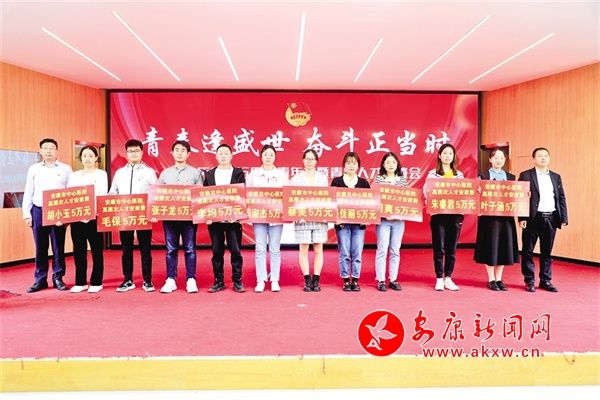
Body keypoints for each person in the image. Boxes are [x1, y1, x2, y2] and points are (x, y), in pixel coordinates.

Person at [23, 138, 73, 293]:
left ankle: (58, 278)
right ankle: (40, 280)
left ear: (57, 150)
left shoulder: (66, 169)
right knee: (40, 247)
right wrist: (26, 214)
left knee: (58, 247)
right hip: (38, 210)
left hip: (58, 213)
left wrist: (66, 216)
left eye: (52, 148)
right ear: (40, 151)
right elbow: (28, 191)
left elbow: (70, 193)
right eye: (45, 148)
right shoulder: (34, 169)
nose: (48, 150)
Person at [108, 139, 157, 292]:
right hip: (124, 217)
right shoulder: (120, 173)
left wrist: (153, 212)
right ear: (126, 153)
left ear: (142, 152)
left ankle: (147, 281)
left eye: (136, 151)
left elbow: (155, 194)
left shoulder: (149, 172)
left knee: (145, 250)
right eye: (130, 151)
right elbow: (112, 193)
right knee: (126, 250)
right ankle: (127, 280)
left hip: (143, 217)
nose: (133, 154)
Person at [155, 140, 203, 294]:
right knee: (171, 250)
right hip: (169, 219)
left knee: (190, 249)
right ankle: (171, 279)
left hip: (189, 219)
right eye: (177, 150)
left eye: (183, 150)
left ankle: (191, 279)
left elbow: (200, 196)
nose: (180, 153)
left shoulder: (195, 173)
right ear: (172, 153)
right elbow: (157, 195)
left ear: (188, 153)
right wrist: (154, 212)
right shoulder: (165, 173)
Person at [518, 147, 568, 293]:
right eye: (540, 156)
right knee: (528, 251)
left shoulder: (556, 176)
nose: (543, 158)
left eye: (546, 155)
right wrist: (522, 217)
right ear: (534, 159)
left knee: (547, 252)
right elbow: (520, 197)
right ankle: (529, 280)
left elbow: (561, 197)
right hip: (533, 218)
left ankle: (546, 280)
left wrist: (563, 217)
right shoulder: (526, 175)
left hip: (551, 217)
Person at [473, 148, 519, 291]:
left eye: (502, 158)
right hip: (489, 218)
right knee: (490, 247)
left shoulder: (511, 177)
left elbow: (517, 196)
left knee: (504, 246)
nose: (499, 160)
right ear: (490, 159)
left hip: (506, 218)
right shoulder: (482, 177)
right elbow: (475, 196)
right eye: (496, 158)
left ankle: (499, 279)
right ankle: (491, 279)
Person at [203, 144, 246, 293]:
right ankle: (218, 280)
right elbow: (204, 197)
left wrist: (238, 215)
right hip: (215, 221)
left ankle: (237, 281)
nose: (223, 156)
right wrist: (207, 215)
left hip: (233, 220)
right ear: (216, 156)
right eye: (220, 153)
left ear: (231, 156)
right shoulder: (209, 175)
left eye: (226, 153)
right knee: (217, 252)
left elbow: (242, 195)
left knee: (235, 251)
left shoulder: (238, 173)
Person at [246, 145, 289, 293]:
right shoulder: (253, 175)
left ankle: (275, 279)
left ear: (275, 157)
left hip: (276, 218)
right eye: (265, 154)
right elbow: (247, 195)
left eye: (271, 154)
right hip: (259, 218)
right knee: (260, 248)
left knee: (275, 248)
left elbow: (287, 196)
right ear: (261, 156)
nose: (268, 157)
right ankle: (261, 280)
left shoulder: (281, 176)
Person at [68, 146, 108, 293]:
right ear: (81, 158)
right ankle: (80, 282)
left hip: (94, 217)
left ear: (96, 158)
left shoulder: (102, 174)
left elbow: (102, 195)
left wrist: (91, 213)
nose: (87, 159)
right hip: (77, 217)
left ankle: (97, 281)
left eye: (91, 156)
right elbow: (71, 195)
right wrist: (79, 213)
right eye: (84, 156)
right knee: (79, 250)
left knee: (97, 251)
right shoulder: (74, 176)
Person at [425, 143, 464, 291]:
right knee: (439, 248)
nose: (448, 156)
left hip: (455, 216)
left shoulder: (459, 175)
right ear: (440, 156)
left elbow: (465, 193)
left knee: (451, 248)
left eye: (450, 153)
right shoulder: (432, 174)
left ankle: (448, 277)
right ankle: (439, 278)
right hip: (438, 215)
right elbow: (426, 193)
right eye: (445, 153)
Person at [331, 151, 370, 292]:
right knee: (344, 252)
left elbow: (370, 203)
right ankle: (346, 280)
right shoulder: (337, 182)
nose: (351, 166)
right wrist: (334, 219)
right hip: (342, 224)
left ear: (358, 166)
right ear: (344, 165)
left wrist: (369, 217)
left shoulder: (364, 183)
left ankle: (356, 280)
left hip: (359, 225)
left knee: (357, 252)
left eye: (354, 163)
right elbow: (332, 203)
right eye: (348, 163)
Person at [291, 149, 329, 292]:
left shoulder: (323, 178)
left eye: (312, 159)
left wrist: (326, 214)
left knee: (319, 250)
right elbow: (292, 200)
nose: (309, 161)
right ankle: (307, 279)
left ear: (316, 161)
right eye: (307, 159)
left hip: (319, 219)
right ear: (303, 160)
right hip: (302, 219)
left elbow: (327, 199)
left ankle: (316, 280)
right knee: (304, 250)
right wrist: (297, 215)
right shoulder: (296, 179)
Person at [373, 152, 407, 292]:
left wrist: (400, 213)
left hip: (399, 221)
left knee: (395, 250)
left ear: (397, 164)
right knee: (382, 249)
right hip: (383, 220)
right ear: (383, 164)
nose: (391, 165)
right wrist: (386, 214)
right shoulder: (379, 179)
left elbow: (406, 200)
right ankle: (381, 280)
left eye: (393, 162)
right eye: (388, 162)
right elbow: (376, 200)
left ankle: (393, 279)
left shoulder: (402, 180)